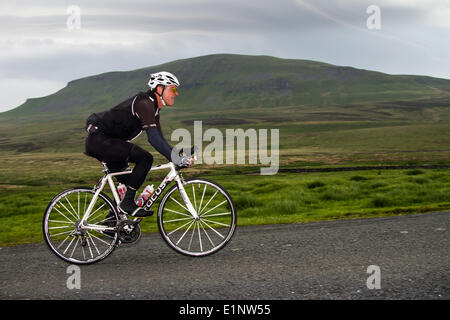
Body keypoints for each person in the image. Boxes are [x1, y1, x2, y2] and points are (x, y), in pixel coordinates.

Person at [84, 71, 192, 218]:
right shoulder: (145, 104)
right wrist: (176, 159)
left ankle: (112, 222)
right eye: (173, 89)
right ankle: (127, 205)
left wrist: (178, 155)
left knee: (132, 181)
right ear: (160, 89)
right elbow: (153, 139)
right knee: (145, 158)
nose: (176, 93)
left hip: (107, 142)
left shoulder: (153, 108)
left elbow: (160, 138)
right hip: (100, 140)